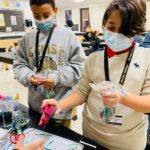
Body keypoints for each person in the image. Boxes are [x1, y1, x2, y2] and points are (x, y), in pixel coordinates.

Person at [42, 0, 150, 149]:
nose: (116, 34)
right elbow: (82, 92)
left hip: (128, 142)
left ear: (135, 30)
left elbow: (148, 104)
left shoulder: (146, 58)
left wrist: (121, 97)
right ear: (104, 24)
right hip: (91, 136)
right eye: (111, 27)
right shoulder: (94, 58)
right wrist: (61, 104)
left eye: (124, 30)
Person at [13, 0, 86, 128]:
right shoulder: (27, 37)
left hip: (60, 108)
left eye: (46, 15)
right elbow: (19, 65)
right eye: (36, 16)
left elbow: (79, 66)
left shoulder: (68, 35)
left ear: (55, 11)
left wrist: (56, 78)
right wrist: (29, 77)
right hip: (35, 107)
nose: (41, 20)